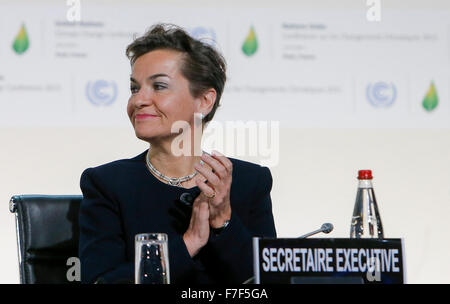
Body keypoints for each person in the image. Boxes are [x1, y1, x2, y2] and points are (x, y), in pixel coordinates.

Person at [78, 23, 276, 284]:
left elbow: (265, 283)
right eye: (134, 88)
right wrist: (188, 243)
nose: (138, 100)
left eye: (159, 86)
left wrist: (223, 221)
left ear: (204, 101)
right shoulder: (108, 184)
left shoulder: (249, 182)